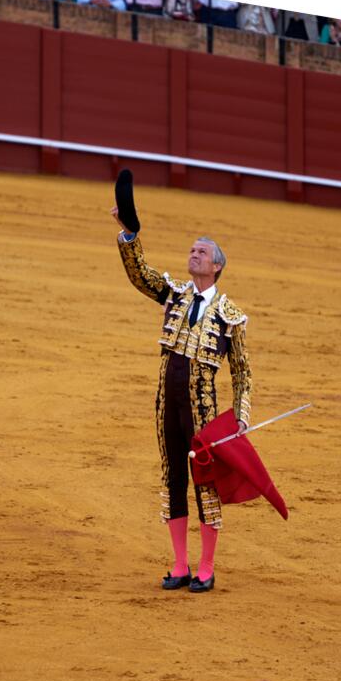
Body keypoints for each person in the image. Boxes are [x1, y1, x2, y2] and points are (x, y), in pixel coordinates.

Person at [111, 207, 252, 593]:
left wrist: (241, 415)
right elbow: (141, 275)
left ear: (217, 266)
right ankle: (179, 564)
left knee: (204, 483)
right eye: (192, 250)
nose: (194, 255)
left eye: (202, 252)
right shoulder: (173, 293)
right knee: (172, 477)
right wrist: (130, 235)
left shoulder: (230, 317)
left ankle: (206, 567)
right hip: (166, 405)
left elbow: (241, 370)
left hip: (203, 411)